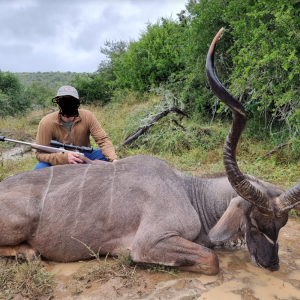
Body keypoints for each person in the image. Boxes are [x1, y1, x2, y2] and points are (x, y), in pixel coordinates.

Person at [34, 85, 117, 170]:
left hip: (83, 154)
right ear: (57, 102)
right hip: (58, 157)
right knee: (39, 170)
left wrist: (114, 160)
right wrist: (64, 158)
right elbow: (40, 154)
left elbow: (103, 139)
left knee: (106, 155)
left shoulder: (88, 116)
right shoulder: (46, 123)